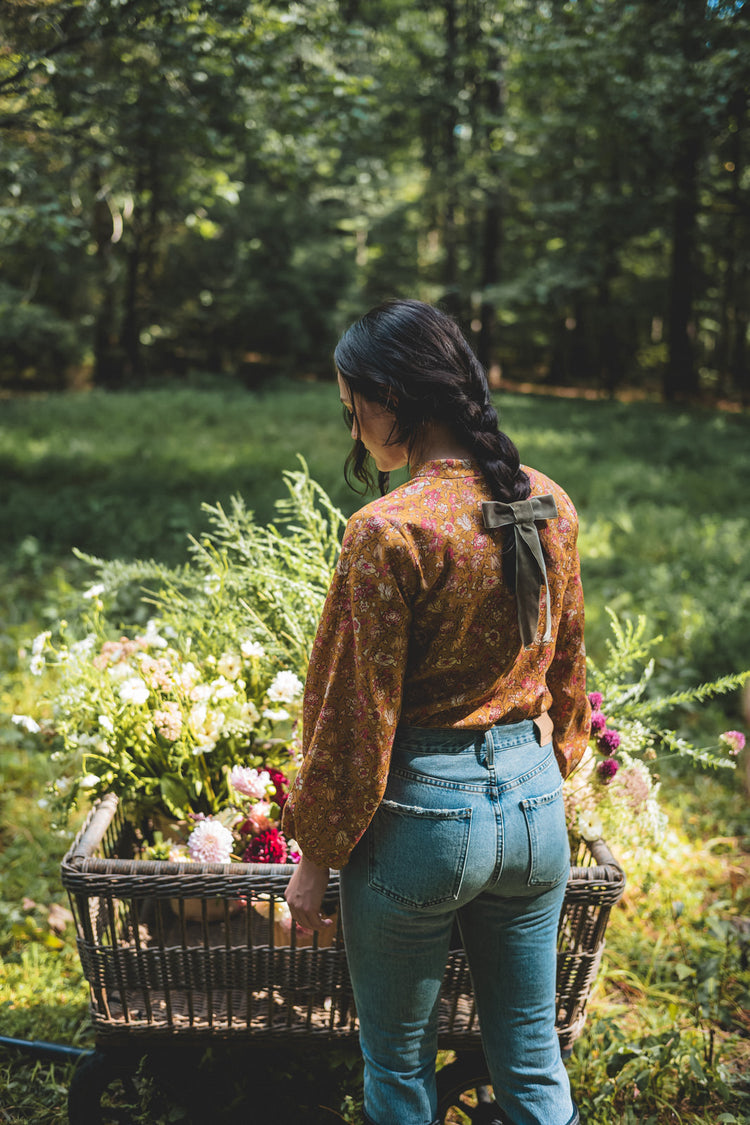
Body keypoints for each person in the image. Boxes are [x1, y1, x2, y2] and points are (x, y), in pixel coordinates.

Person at [282, 299, 590, 1125]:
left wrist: (316, 852)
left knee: (399, 1063)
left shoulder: (388, 529)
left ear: (392, 397)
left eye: (352, 408)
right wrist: (550, 771)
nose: (354, 429)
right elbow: (569, 670)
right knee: (532, 1053)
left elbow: (355, 712)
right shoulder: (548, 502)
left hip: (423, 821)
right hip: (534, 812)